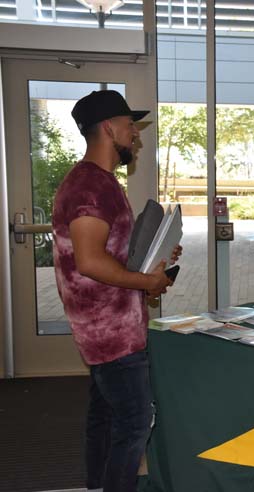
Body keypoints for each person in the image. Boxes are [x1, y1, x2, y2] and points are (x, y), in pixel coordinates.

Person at [52, 90, 179, 492]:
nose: (135, 135)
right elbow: (89, 262)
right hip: (110, 334)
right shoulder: (90, 187)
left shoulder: (100, 182)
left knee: (105, 418)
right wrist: (148, 282)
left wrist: (155, 255)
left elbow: (109, 255)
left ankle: (97, 486)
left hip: (110, 327)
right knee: (134, 422)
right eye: (129, 127)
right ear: (108, 128)